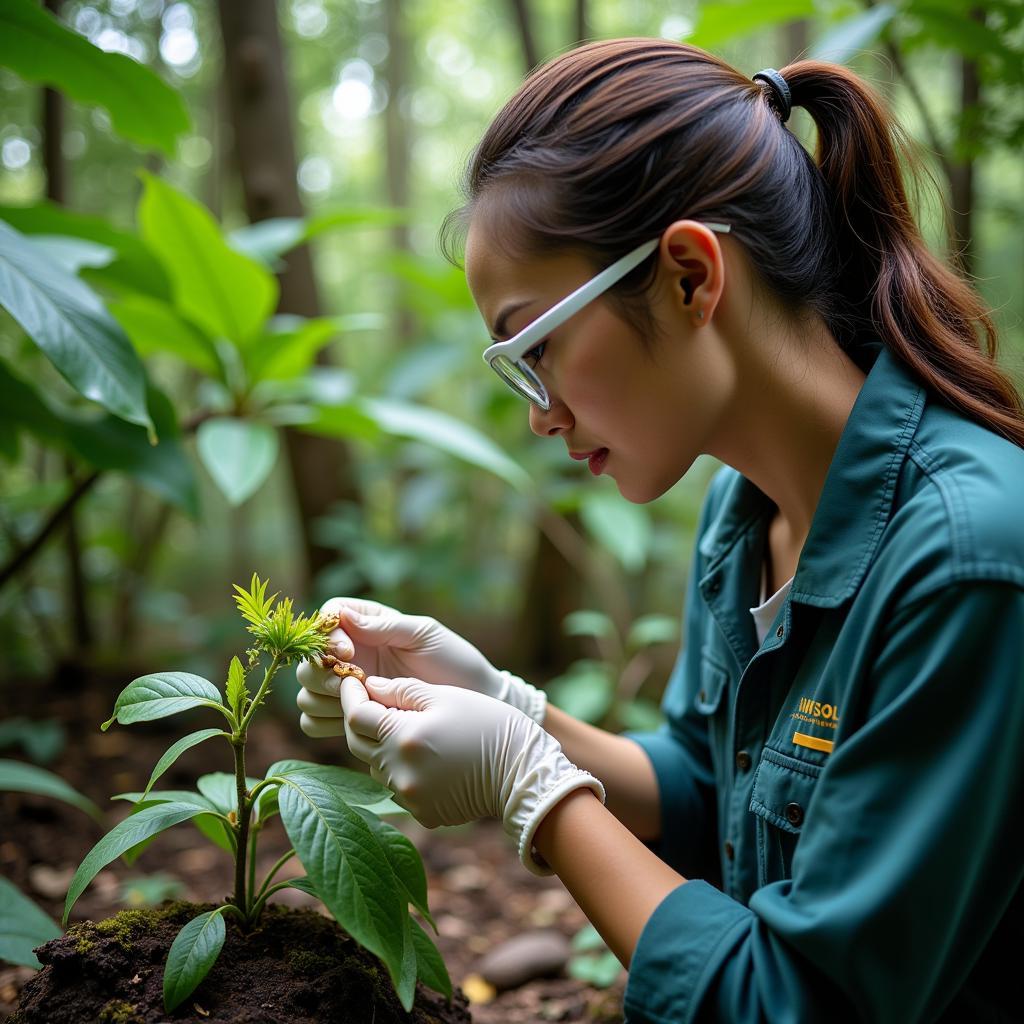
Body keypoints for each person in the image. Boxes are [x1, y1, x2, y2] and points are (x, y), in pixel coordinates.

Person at [295, 39, 1024, 1022]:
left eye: (535, 345)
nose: (538, 413)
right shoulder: (744, 511)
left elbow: (795, 1004)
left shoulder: (968, 558)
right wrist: (510, 709)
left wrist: (532, 788)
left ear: (688, 275)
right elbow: (704, 786)